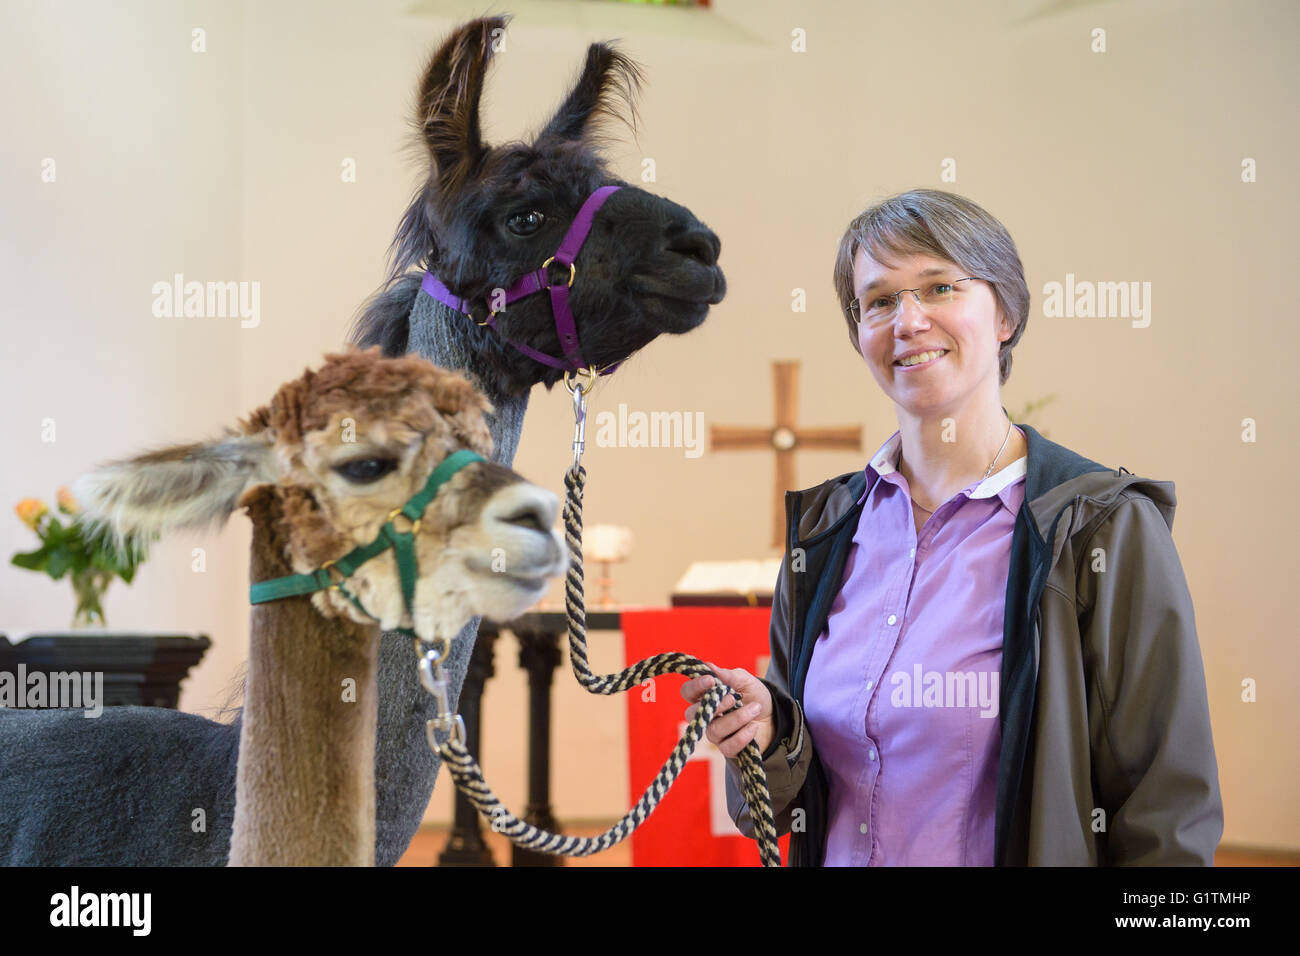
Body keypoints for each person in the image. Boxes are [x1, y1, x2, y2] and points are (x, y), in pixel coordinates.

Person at [682, 189, 1222, 866]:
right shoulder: (825, 533)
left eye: (938, 287)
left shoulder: (1102, 530)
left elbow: (1165, 812)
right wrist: (768, 736)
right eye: (877, 301)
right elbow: (793, 802)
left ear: (1005, 313)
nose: (907, 320)